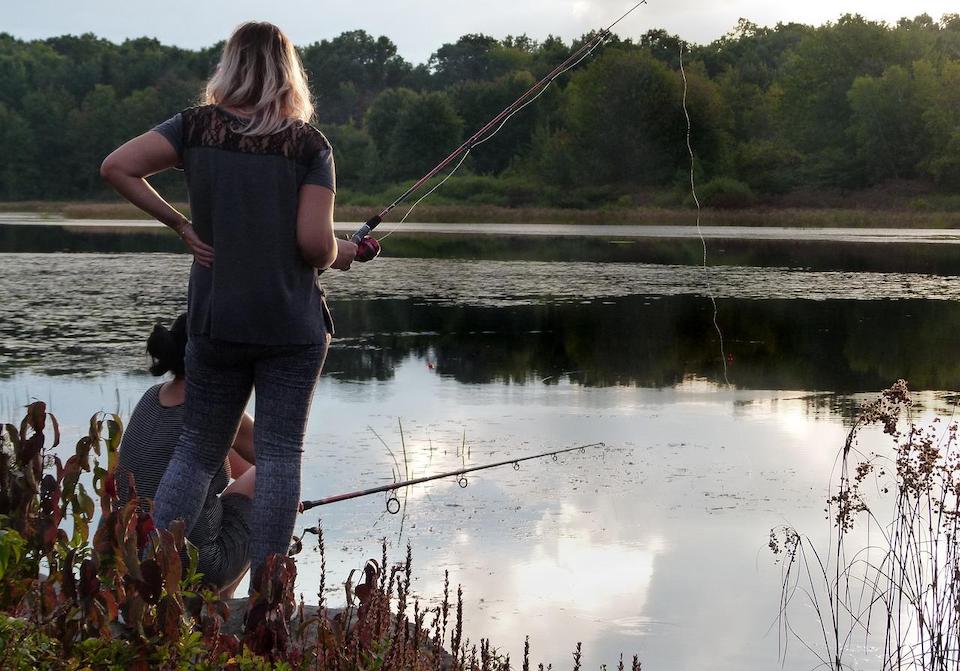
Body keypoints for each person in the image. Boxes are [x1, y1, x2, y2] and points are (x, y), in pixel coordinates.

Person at [100, 21, 357, 585]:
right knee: (281, 454)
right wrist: (348, 252)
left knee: (196, 453)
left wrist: (178, 223)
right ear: (288, 72)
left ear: (229, 66)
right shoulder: (308, 144)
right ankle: (268, 598)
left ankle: (152, 581)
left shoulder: (194, 129)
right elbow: (314, 246)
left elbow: (116, 166)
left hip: (216, 321)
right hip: (291, 327)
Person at [115, 315, 255, 597]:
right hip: (198, 566)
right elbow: (277, 459)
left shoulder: (151, 397)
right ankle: (222, 599)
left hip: (137, 558)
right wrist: (283, 502)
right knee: (273, 479)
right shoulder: (217, 407)